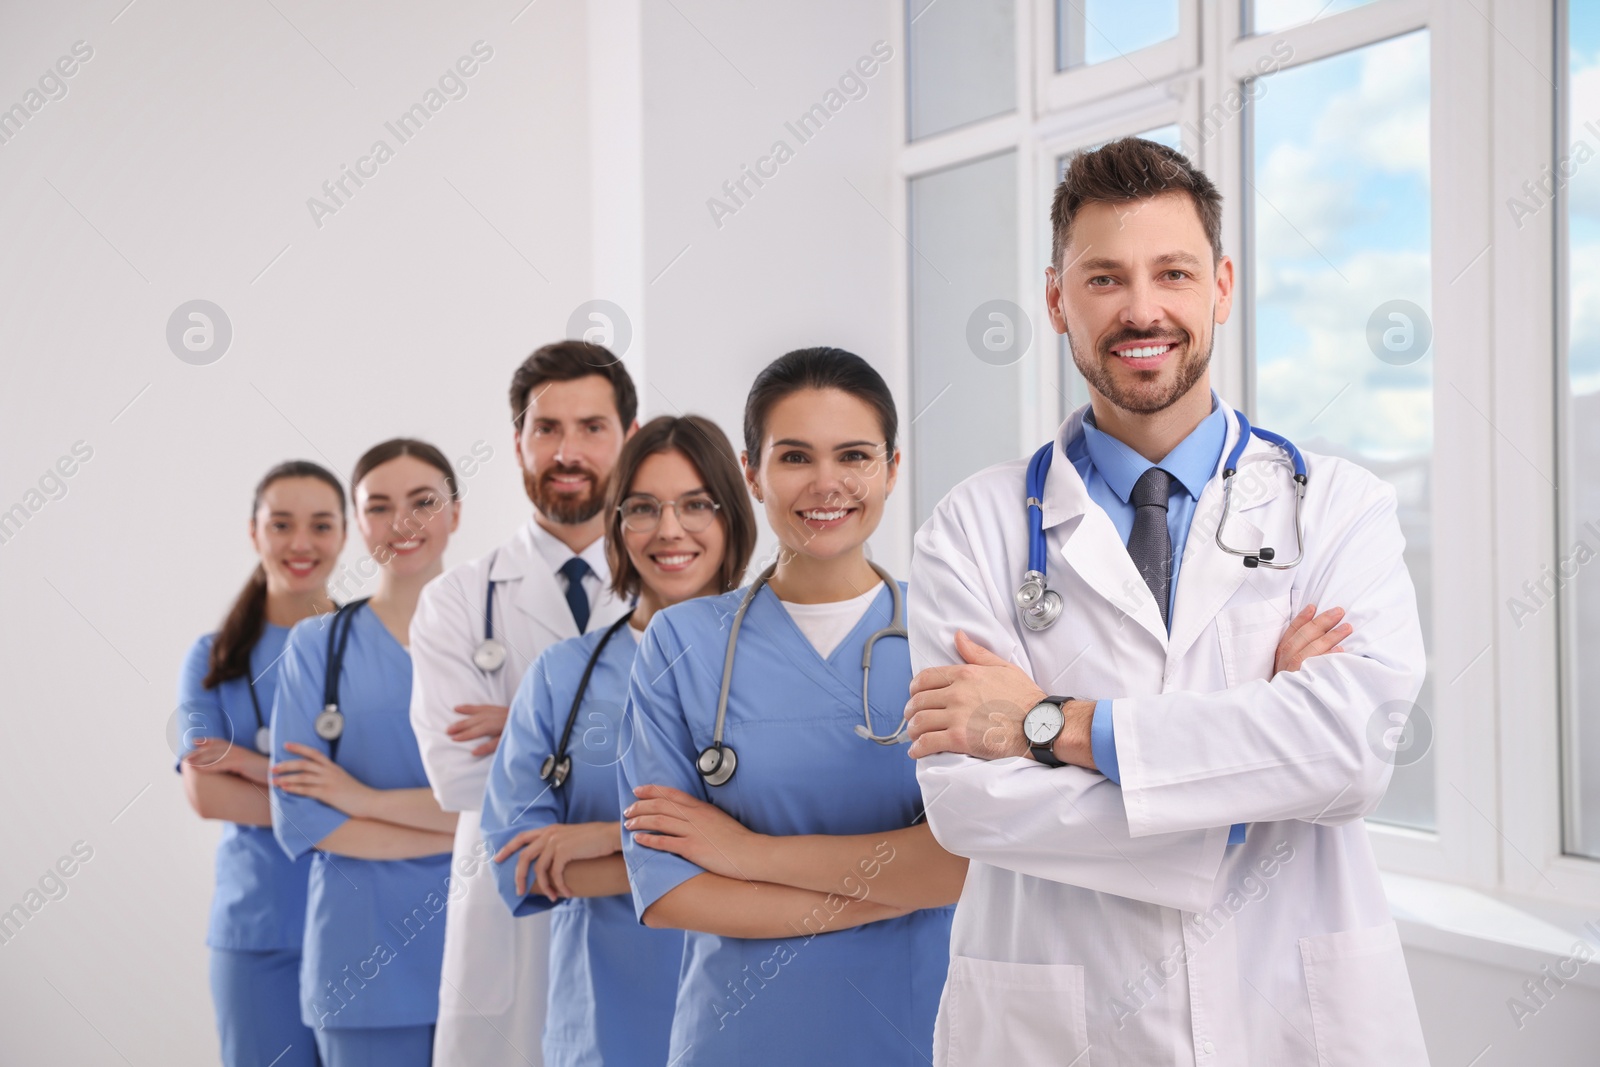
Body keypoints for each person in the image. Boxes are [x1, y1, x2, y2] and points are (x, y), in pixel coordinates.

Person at [901, 137, 1429, 1065]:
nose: (1142, 309)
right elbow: (968, 804)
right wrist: (1259, 764)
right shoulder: (972, 525)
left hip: (1291, 1018)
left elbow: (1350, 750)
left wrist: (1048, 725)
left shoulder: (1339, 506)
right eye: (1104, 278)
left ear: (1221, 285)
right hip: (1061, 1024)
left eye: (1172, 272)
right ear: (1058, 300)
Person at [617, 348, 966, 1066]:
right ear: (751, 472)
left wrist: (747, 853)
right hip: (738, 1038)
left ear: (892, 469)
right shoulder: (681, 644)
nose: (827, 483)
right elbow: (670, 888)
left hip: (916, 1032)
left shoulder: (949, 634)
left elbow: (962, 862)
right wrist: (889, 891)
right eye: (796, 456)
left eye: (855, 455)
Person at [481, 414, 758, 1066]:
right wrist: (713, 848)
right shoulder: (562, 675)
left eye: (696, 503)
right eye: (643, 507)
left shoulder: (783, 659)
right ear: (616, 523)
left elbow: (808, 837)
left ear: (733, 516)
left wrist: (607, 836)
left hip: (754, 1007)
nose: (669, 529)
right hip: (605, 1025)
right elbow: (519, 860)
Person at [407, 342, 637, 1065]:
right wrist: (627, 735)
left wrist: (535, 729)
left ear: (629, 438)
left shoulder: (681, 592)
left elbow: (720, 767)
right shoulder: (456, 599)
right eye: (547, 429)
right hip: (512, 919)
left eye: (592, 427)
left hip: (643, 916)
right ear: (517, 443)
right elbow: (458, 775)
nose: (567, 451)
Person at [271, 439, 465, 1067]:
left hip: (482, 948)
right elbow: (301, 817)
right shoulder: (314, 646)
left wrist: (363, 800)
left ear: (455, 513)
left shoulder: (498, 641)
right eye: (380, 507)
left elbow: (517, 809)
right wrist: (463, 831)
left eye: (423, 502)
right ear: (359, 524)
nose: (402, 523)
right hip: (362, 966)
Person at [177, 460, 345, 1067]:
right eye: (281, 524)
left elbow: (406, 782)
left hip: (365, 930)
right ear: (254, 533)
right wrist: (339, 806)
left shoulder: (375, 648)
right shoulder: (214, 656)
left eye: (321, 525)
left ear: (344, 537)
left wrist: (248, 762)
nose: (301, 543)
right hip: (260, 934)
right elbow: (207, 795)